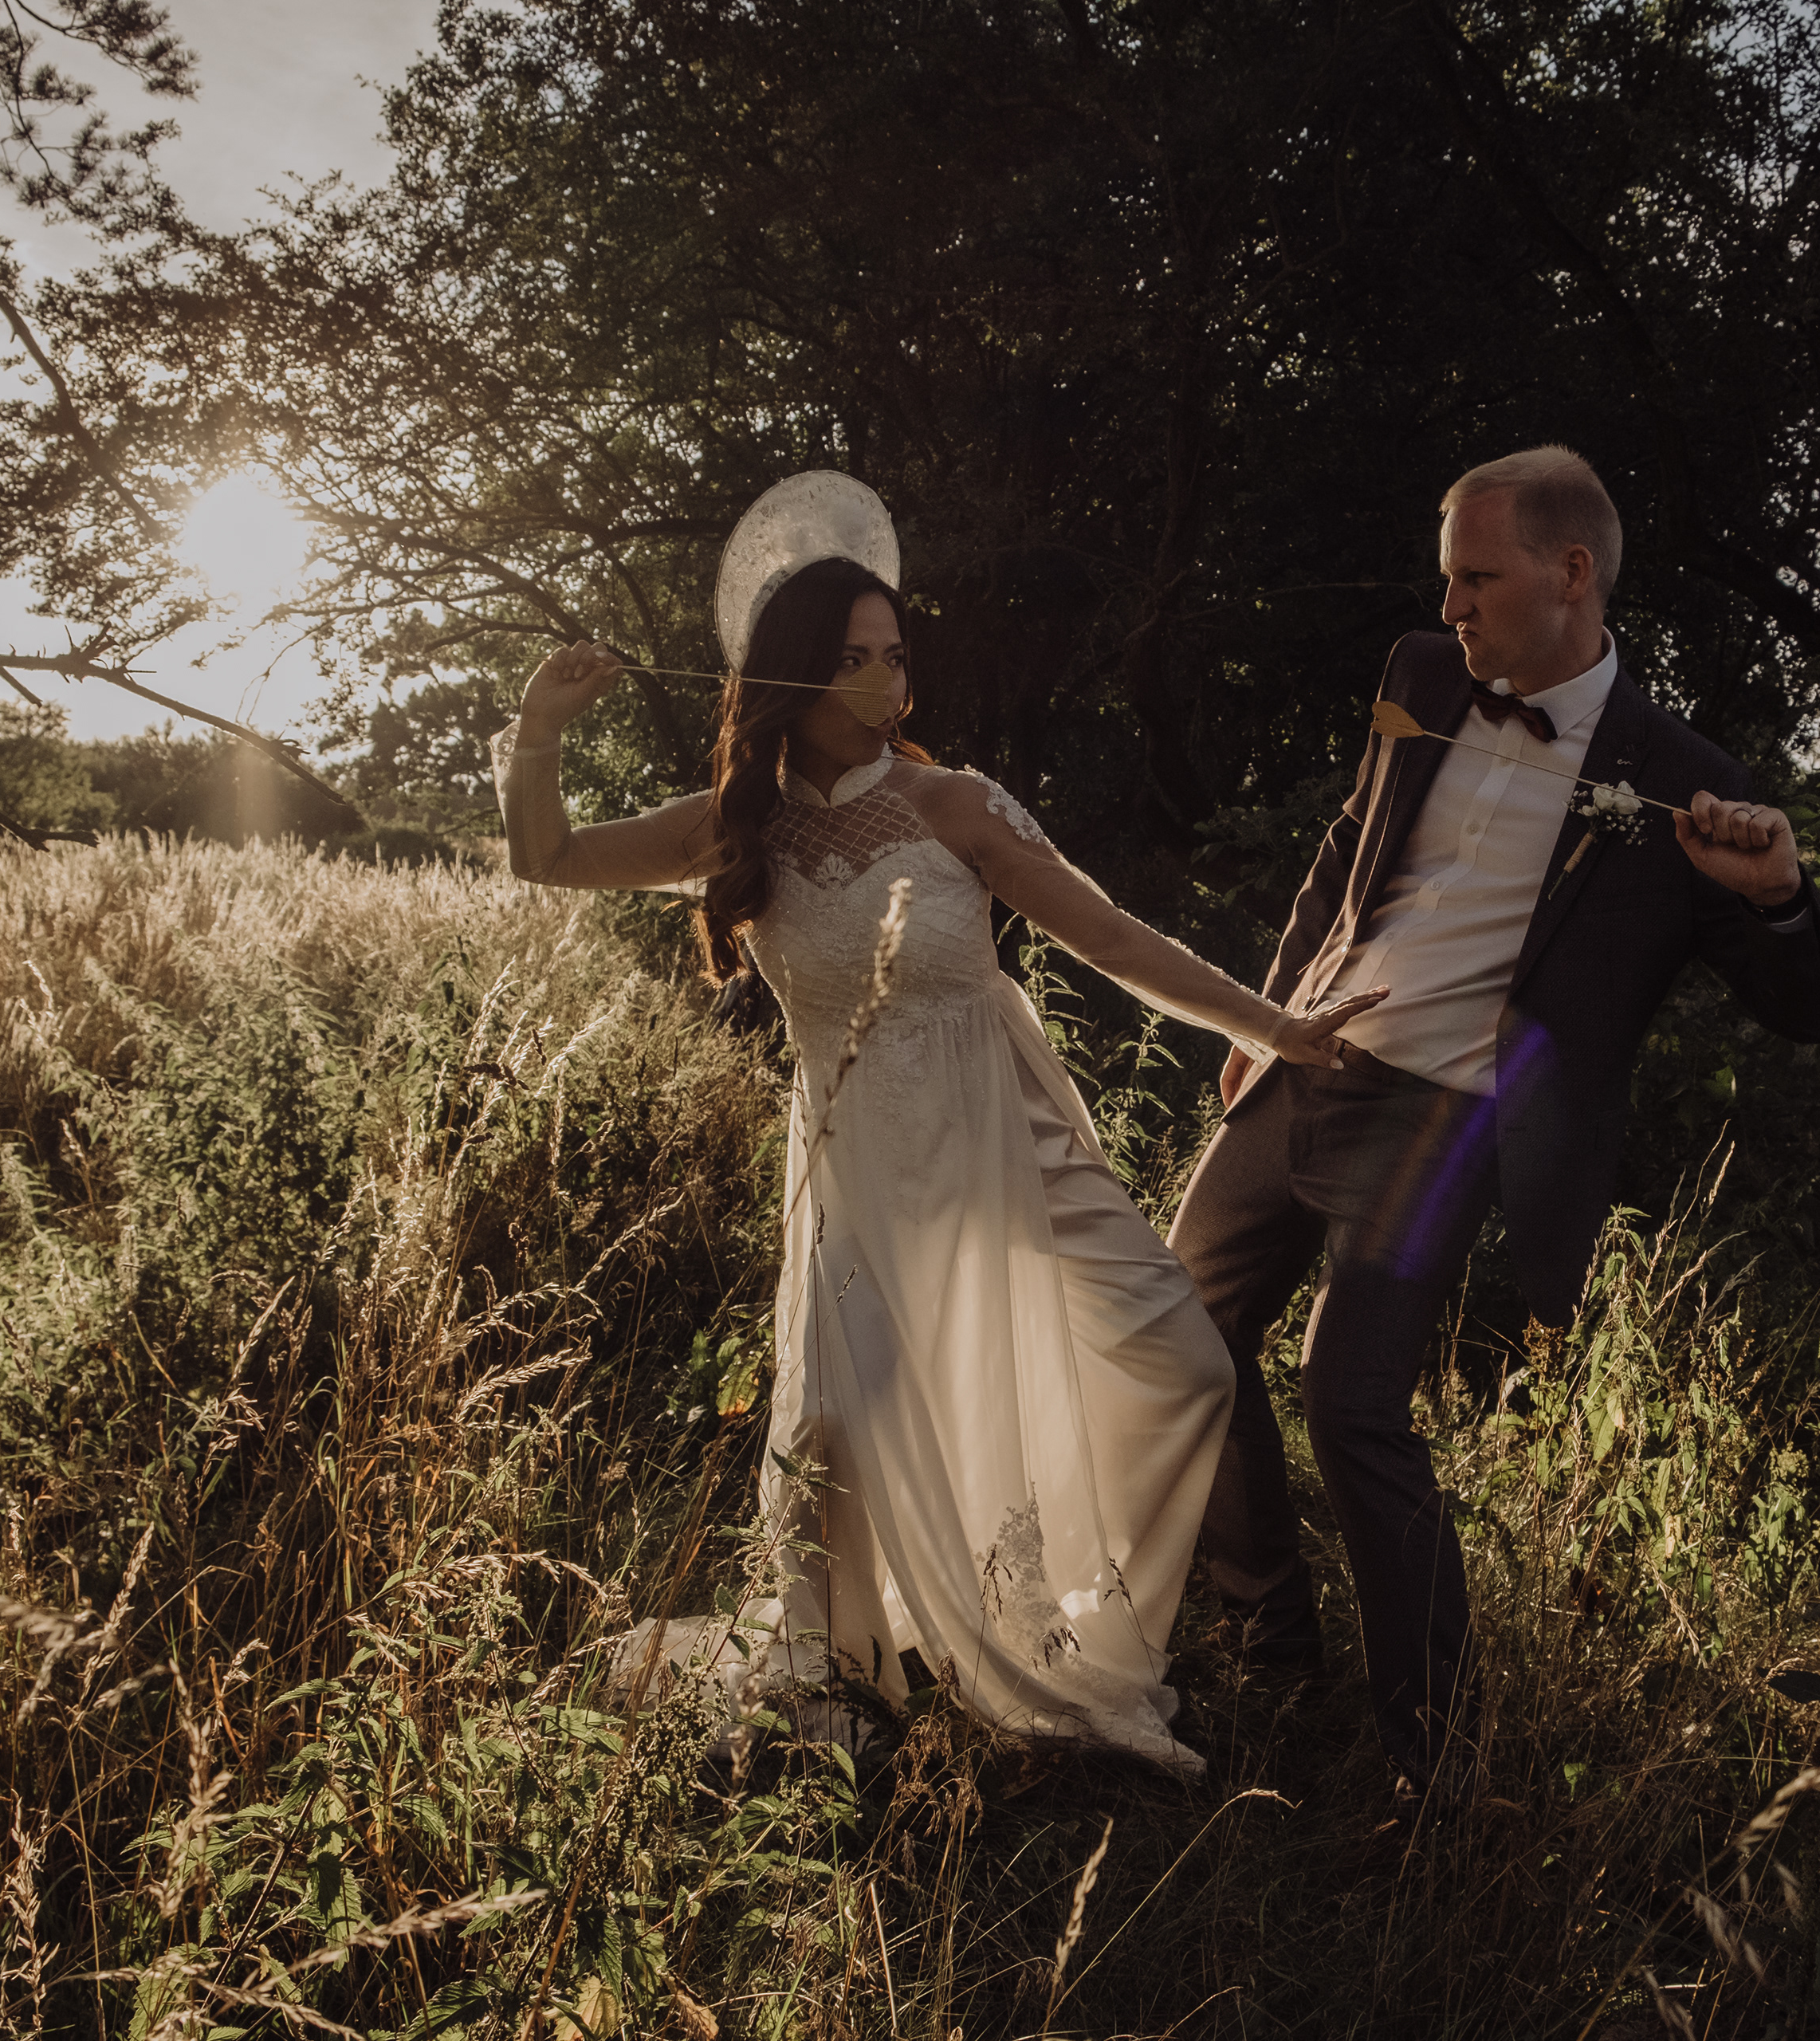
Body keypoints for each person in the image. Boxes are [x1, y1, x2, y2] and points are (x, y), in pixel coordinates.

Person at [495, 543, 1378, 1775]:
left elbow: (1114, 939)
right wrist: (540, 728)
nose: (886, 681)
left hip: (1009, 1135)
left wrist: (1275, 1027)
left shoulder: (954, 804)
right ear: (794, 676)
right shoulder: (738, 822)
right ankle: (851, 1678)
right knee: (840, 1432)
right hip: (857, 1160)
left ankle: (1080, 1615)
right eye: (853, 657)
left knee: (1183, 1360)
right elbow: (547, 856)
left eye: (896, 655)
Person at [1168, 446, 1820, 1804]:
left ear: (1571, 572)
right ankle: (1270, 1642)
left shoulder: (1683, 782)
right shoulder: (1422, 674)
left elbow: (1810, 1009)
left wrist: (1779, 894)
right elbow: (1347, 852)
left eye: (1478, 579)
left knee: (1350, 1404)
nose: (1454, 606)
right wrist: (1263, 1015)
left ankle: (1439, 1759)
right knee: (1176, 1330)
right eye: (1449, 581)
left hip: (1443, 1118)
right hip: (1305, 1056)